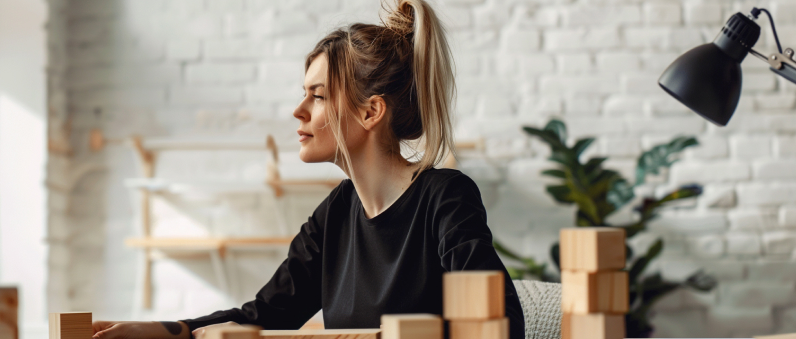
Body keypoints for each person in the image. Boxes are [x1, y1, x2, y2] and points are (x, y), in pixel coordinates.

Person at [92, 0, 525, 338]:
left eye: (317, 96)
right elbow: (264, 316)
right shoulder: (335, 215)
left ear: (371, 111)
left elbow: (502, 322)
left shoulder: (444, 197)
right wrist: (166, 331)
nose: (298, 111)